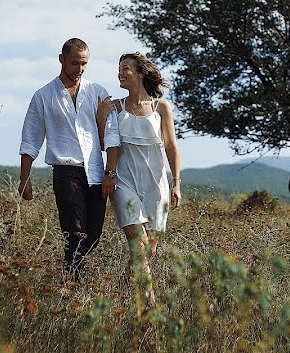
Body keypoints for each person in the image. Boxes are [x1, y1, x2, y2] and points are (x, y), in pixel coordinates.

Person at [19, 38, 120, 281]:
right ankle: (76, 284)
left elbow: (112, 133)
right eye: (75, 63)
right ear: (61, 60)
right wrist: (25, 178)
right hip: (65, 171)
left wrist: (110, 172)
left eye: (84, 64)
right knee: (75, 232)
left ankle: (68, 276)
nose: (80, 69)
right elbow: (31, 138)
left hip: (96, 171)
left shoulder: (97, 92)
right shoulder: (43, 95)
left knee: (93, 234)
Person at [96, 52, 181, 309]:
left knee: (147, 252)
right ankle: (149, 311)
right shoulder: (116, 108)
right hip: (123, 182)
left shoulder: (161, 107)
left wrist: (176, 182)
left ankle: (123, 291)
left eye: (125, 68)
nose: (120, 73)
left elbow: (172, 148)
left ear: (141, 73)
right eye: (119, 69)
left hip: (156, 184)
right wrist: (101, 118)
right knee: (138, 244)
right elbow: (104, 144)